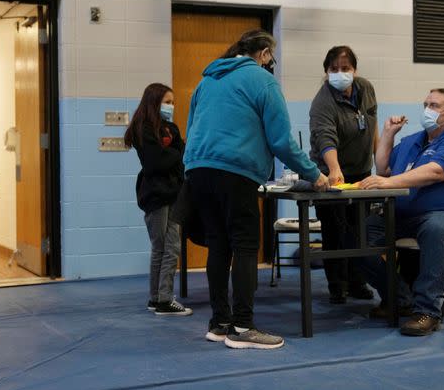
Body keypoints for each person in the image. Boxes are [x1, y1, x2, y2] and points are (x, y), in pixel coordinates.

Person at [184, 29, 328, 349]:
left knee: (218, 246)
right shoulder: (263, 82)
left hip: (198, 170)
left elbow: (192, 128)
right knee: (246, 246)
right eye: (271, 58)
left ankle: (220, 323)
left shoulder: (206, 81)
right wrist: (314, 174)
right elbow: (281, 141)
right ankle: (243, 328)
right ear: (264, 54)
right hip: (235, 172)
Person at [358, 88, 444, 336]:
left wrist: (390, 183)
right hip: (404, 215)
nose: (427, 109)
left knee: (436, 228)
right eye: (425, 103)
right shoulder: (413, 141)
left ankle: (427, 311)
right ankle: (400, 298)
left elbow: (435, 172)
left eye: (434, 105)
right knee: (359, 237)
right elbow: (382, 169)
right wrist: (388, 134)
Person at [309, 46, 377, 304]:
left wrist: (380, 161)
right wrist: (335, 170)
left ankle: (359, 281)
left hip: (362, 172)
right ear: (326, 72)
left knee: (361, 229)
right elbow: (326, 139)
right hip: (330, 174)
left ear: (355, 70)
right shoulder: (322, 102)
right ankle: (337, 285)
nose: (340, 73)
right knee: (335, 231)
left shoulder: (366, 89)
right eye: (334, 69)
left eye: (345, 69)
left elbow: (371, 127)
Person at [125, 83, 192, 316]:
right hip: (156, 196)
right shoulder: (144, 129)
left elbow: (181, 156)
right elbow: (156, 162)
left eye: (173, 103)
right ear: (154, 102)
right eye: (167, 102)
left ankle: (157, 297)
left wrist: (174, 151)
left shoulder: (170, 128)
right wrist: (176, 151)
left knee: (169, 246)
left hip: (174, 193)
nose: (171, 107)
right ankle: (163, 299)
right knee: (163, 247)